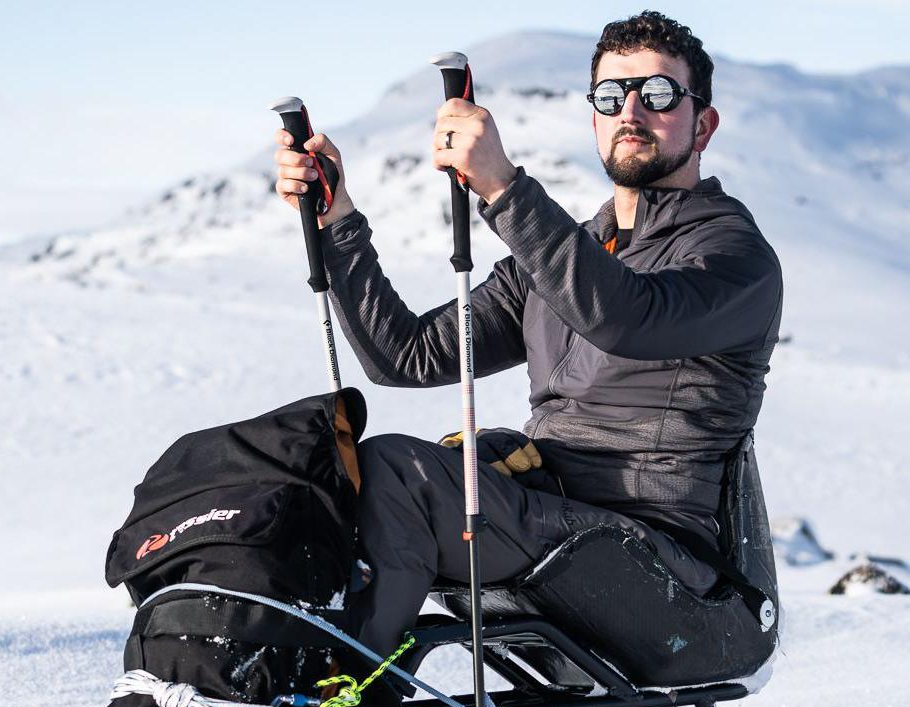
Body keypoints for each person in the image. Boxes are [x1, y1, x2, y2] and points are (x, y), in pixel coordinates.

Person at [273, 10, 782, 656]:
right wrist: (336, 218)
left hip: (660, 568)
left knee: (404, 476)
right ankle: (263, 677)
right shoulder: (566, 259)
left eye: (658, 95)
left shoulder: (733, 258)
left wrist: (503, 189)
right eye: (610, 96)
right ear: (592, 118)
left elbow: (628, 317)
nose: (631, 111)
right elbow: (405, 355)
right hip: (559, 528)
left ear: (702, 124)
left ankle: (336, 691)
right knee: (329, 470)